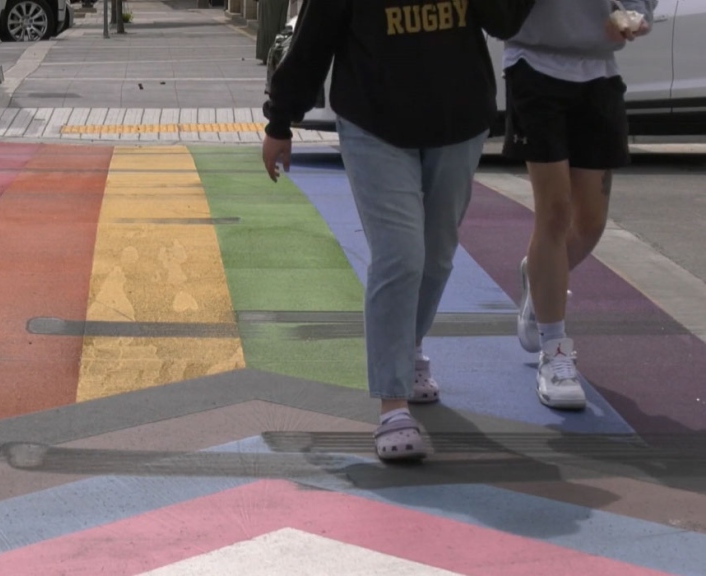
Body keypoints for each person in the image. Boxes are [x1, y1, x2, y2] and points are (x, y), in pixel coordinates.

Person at [262, 0, 535, 461]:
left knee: (437, 254)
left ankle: (408, 348)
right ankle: (393, 404)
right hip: (374, 123)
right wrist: (280, 119)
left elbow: (505, 19)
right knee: (400, 255)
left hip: (458, 120)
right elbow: (315, 35)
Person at [503, 0, 655, 411]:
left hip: (599, 71)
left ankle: (539, 276)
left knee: (591, 223)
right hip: (533, 64)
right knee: (554, 211)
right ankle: (554, 352)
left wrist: (637, 16)